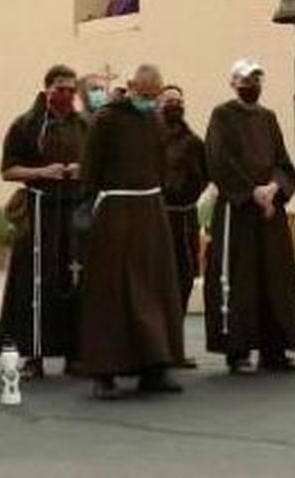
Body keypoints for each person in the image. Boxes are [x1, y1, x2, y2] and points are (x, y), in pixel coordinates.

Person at [78, 64, 185, 399]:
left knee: (156, 289)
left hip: (151, 212)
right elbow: (90, 170)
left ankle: (155, 366)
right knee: (111, 292)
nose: (151, 102)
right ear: (130, 87)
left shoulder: (155, 120)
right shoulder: (105, 120)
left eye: (155, 96)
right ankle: (104, 372)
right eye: (145, 95)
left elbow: (161, 165)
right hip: (115, 212)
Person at [201, 60, 295, 374]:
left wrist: (274, 188)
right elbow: (218, 159)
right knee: (239, 279)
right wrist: (251, 192)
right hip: (238, 211)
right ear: (233, 82)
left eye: (257, 78)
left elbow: (283, 163)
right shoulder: (222, 115)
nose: (252, 84)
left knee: (275, 279)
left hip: (269, 212)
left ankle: (274, 348)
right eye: (246, 79)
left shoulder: (268, 117)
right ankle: (238, 349)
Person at [0, 65, 87, 379]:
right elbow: (8, 170)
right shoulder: (26, 125)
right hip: (38, 214)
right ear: (47, 89)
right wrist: (42, 172)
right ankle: (34, 355)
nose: (66, 95)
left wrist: (80, 169)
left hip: (73, 214)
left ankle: (74, 352)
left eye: (71, 89)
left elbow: (96, 165)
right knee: (34, 283)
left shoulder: (85, 125)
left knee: (74, 281)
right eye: (60, 88)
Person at [157, 85, 207, 367]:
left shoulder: (193, 141)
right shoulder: (150, 137)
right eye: (169, 101)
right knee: (158, 280)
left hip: (186, 215)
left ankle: (175, 346)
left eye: (178, 101)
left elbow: (204, 175)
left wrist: (191, 194)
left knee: (184, 279)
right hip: (159, 215)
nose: (174, 105)